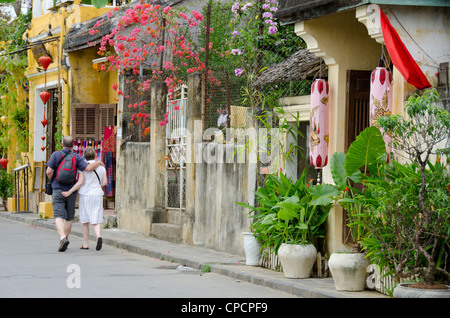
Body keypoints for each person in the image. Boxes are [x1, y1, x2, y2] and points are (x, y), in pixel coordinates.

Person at [46, 136, 104, 252]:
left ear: (62, 144)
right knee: (68, 218)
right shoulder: (76, 157)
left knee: (58, 216)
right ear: (73, 146)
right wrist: (99, 162)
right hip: (71, 190)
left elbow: (48, 171)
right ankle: (65, 238)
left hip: (57, 189)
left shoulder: (55, 155)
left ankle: (63, 238)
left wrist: (53, 180)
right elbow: (88, 168)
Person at [62, 147, 107, 251]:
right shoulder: (101, 167)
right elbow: (104, 182)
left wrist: (70, 191)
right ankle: (98, 236)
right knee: (95, 218)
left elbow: (80, 182)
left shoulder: (82, 167)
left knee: (85, 221)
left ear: (84, 157)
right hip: (97, 194)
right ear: (95, 156)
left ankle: (85, 244)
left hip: (85, 195)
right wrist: (96, 185)